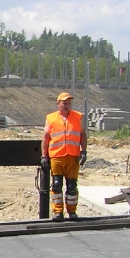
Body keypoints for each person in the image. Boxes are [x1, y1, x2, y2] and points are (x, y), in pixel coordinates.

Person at [41, 91, 87, 221]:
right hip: (57, 156)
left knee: (72, 186)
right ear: (58, 104)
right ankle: (58, 211)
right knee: (56, 185)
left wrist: (83, 151)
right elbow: (45, 138)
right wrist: (44, 156)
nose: (67, 106)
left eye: (69, 103)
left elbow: (83, 135)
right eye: (64, 103)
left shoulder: (77, 117)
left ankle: (72, 211)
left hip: (72, 156)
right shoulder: (51, 118)